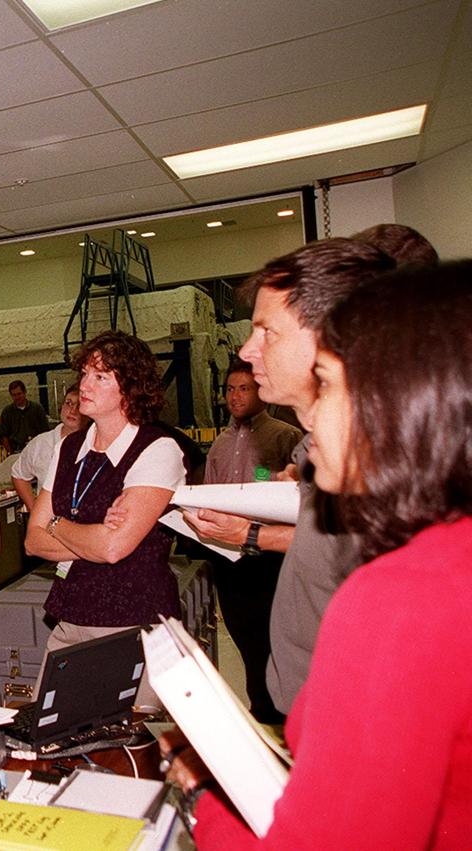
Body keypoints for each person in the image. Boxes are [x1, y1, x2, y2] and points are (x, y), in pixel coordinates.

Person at [163, 260, 472, 848]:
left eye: (326, 384)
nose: (312, 421)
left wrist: (203, 788)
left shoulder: (401, 599)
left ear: (400, 404)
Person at [183, 238, 395, 714]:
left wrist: (254, 534)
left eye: (267, 332)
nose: (247, 349)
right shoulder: (317, 453)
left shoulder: (384, 465)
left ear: (330, 338)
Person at [24, 331, 185, 704]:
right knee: (49, 734)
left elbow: (113, 548)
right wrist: (86, 536)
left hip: (134, 621)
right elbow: (33, 540)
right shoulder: (68, 447)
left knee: (125, 748)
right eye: (83, 374)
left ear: (129, 388)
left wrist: (57, 524)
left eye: (100, 377)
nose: (84, 385)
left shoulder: (158, 450)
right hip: (71, 617)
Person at [202, 360, 302, 724]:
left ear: (260, 392)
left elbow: (288, 489)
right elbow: (210, 492)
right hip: (229, 556)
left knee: (272, 637)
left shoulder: (284, 436)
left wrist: (257, 480)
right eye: (230, 389)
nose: (235, 396)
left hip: (269, 554)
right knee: (242, 634)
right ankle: (260, 707)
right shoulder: (220, 444)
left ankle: (280, 713)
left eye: (244, 388)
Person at [11, 383, 88, 513]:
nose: (73, 410)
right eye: (68, 403)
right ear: (61, 407)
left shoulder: (99, 444)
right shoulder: (40, 443)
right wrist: (34, 509)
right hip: (48, 525)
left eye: (79, 406)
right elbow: (18, 475)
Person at [0, 379, 48, 453]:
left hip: (36, 450)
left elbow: (46, 431)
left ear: (25, 392)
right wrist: (10, 453)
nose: (17, 397)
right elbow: (3, 435)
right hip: (16, 451)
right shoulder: (7, 412)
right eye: (14, 395)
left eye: (19, 394)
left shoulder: (37, 408)